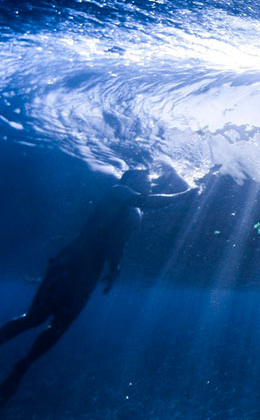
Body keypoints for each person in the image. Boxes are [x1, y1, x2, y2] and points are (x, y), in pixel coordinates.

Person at [0, 169, 198, 406]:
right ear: (130, 179)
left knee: (59, 327)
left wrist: (115, 269)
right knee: (35, 318)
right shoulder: (119, 191)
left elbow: (119, 244)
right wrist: (185, 195)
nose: (150, 183)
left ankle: (22, 367)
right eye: (145, 179)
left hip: (89, 273)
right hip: (72, 261)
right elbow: (145, 201)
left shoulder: (136, 213)